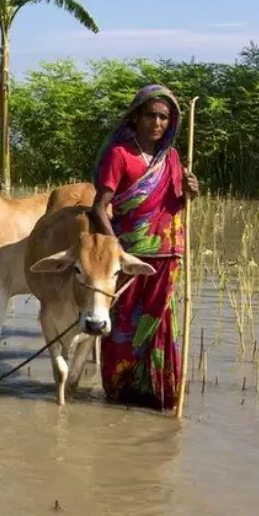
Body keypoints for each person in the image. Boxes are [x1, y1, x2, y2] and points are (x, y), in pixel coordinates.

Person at [90, 84, 199, 411]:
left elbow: (176, 202)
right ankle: (121, 390)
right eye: (150, 114)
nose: (157, 122)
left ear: (171, 121)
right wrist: (115, 251)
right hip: (130, 258)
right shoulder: (120, 154)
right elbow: (98, 208)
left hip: (167, 256)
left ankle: (160, 393)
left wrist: (192, 190)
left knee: (161, 324)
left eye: (164, 116)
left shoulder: (174, 158)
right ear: (136, 116)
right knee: (123, 324)